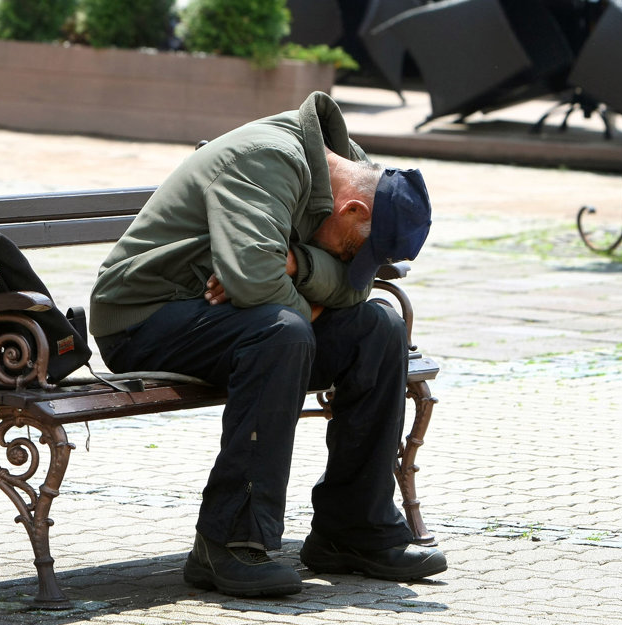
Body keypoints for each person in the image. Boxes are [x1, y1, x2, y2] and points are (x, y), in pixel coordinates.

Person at [89, 91, 446, 597]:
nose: (353, 259)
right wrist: (290, 292)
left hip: (234, 320)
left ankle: (354, 532)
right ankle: (228, 542)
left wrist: (298, 264)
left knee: (379, 327)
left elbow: (356, 287)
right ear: (350, 208)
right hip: (147, 319)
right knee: (281, 331)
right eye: (355, 248)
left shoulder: (356, 169)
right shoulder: (266, 158)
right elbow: (257, 279)